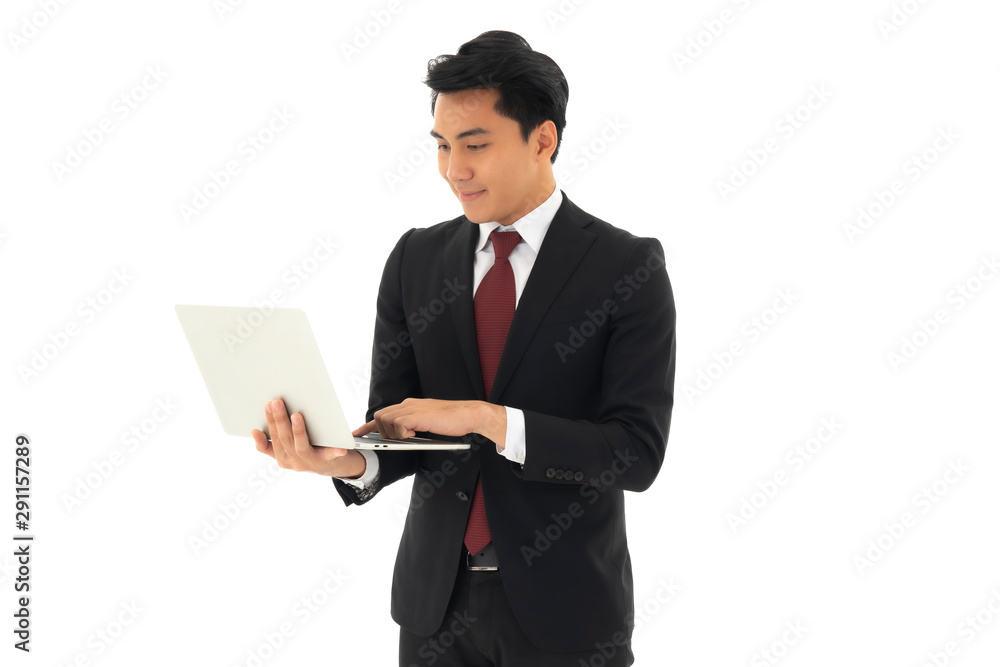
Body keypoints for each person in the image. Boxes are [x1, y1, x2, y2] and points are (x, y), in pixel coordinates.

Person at [250, 30, 676, 667]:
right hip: (434, 612)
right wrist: (343, 461)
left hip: (567, 615)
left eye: (475, 145)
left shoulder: (625, 266)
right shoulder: (416, 259)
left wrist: (487, 420)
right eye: (443, 146)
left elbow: (636, 455)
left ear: (543, 139)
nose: (454, 169)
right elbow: (398, 429)